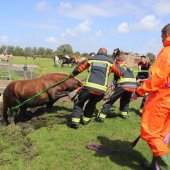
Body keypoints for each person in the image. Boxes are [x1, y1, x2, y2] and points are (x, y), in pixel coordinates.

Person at [131, 23, 170, 169]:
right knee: (161, 136)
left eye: (161, 37)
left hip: (163, 98)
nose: (161, 40)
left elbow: (157, 78)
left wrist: (139, 91)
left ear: (166, 35)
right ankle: (156, 167)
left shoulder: (167, 52)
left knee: (150, 133)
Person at [68, 48, 122, 129]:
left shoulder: (90, 59)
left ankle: (75, 122)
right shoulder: (110, 62)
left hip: (88, 87)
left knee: (79, 103)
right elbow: (120, 72)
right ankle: (85, 120)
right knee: (92, 104)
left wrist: (72, 74)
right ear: (106, 54)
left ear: (97, 53)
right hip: (101, 90)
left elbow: (80, 68)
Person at [96, 53, 137, 122]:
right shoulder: (129, 67)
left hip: (123, 85)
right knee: (125, 101)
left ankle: (101, 117)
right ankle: (124, 115)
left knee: (110, 100)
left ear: (118, 60)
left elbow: (115, 80)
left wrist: (112, 88)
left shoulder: (119, 66)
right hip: (133, 86)